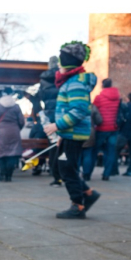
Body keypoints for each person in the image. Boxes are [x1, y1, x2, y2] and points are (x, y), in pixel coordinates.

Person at [43, 41, 100, 219]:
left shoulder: (75, 83)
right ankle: (88, 194)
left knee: (66, 169)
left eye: (61, 60)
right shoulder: (72, 82)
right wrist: (61, 133)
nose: (59, 64)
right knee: (66, 167)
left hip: (73, 134)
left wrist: (56, 126)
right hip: (69, 134)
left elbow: (79, 110)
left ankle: (78, 205)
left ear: (68, 61)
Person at [28, 56, 62, 185]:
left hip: (48, 117)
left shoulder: (43, 80)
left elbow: (40, 98)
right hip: (62, 115)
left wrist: (42, 115)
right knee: (63, 146)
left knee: (53, 146)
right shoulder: (62, 77)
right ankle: (63, 173)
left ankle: (56, 176)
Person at [87, 78, 121, 181]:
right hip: (114, 128)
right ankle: (106, 174)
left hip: (101, 128)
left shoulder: (99, 97)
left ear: (102, 85)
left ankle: (88, 173)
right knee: (110, 152)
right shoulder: (117, 97)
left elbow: (94, 112)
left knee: (93, 151)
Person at [0, 87, 25, 182]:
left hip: (2, 133)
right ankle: (9, 176)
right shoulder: (16, 106)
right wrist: (17, 128)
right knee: (12, 154)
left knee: (2, 154)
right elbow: (22, 121)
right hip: (14, 131)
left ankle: (3, 174)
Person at [117, 93, 131, 177]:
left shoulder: (125, 106)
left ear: (128, 98)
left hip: (124, 131)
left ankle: (114, 169)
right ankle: (129, 170)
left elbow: (121, 117)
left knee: (116, 150)